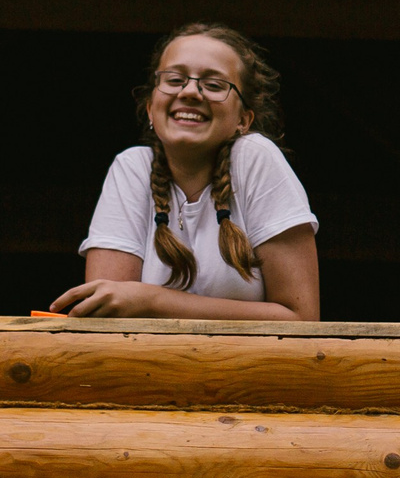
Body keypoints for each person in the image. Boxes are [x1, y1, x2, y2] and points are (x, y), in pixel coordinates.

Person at [54, 22, 322, 321]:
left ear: (243, 120)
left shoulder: (255, 158)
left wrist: (154, 300)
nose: (191, 92)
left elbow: (301, 319)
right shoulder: (132, 168)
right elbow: (107, 312)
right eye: (174, 79)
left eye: (215, 85)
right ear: (149, 108)